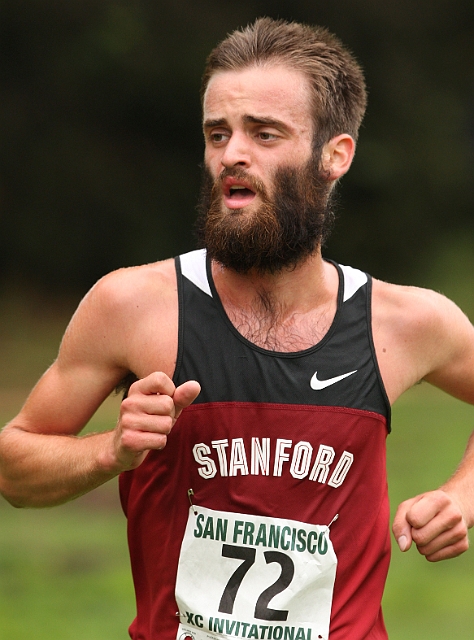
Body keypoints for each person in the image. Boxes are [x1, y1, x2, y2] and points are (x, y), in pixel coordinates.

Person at [0, 16, 473, 640]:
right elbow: (13, 469)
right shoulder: (133, 306)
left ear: (335, 155)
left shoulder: (406, 322)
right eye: (217, 133)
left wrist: (463, 499)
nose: (232, 154)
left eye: (264, 133)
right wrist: (110, 450)